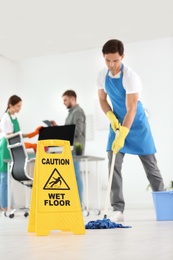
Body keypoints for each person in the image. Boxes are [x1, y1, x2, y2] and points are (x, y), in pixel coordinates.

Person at [97, 39, 164, 222]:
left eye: (115, 61)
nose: (112, 65)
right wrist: (111, 117)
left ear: (122, 57)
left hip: (137, 123)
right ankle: (118, 209)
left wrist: (124, 134)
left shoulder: (130, 76)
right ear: (104, 58)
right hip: (117, 122)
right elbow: (102, 100)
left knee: (151, 166)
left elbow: (132, 108)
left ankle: (164, 206)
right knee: (113, 163)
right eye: (108, 60)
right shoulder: (102, 76)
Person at [0, 95, 41, 216]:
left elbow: (18, 134)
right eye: (18, 106)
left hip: (14, 146)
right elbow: (11, 136)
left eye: (20, 106)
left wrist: (32, 134)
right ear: (10, 105)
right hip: (6, 148)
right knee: (4, 179)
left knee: (9, 178)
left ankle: (10, 205)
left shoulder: (13, 117)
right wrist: (28, 144)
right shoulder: (6, 118)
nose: (19, 109)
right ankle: (5, 206)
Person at [50, 90, 86, 206]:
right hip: (69, 148)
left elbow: (77, 131)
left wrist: (63, 130)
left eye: (65, 100)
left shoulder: (78, 112)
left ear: (72, 99)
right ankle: (75, 202)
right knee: (71, 175)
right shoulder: (71, 113)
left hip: (75, 148)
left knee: (76, 174)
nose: (64, 103)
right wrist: (57, 128)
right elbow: (68, 131)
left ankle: (79, 204)